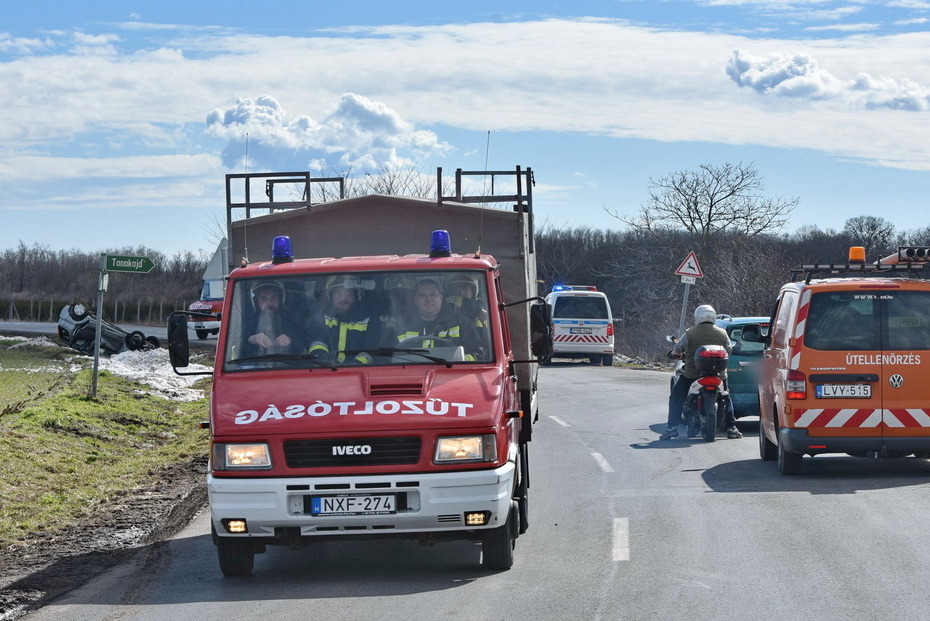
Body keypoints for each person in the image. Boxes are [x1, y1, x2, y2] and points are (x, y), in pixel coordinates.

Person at [660, 304, 742, 440]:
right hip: (719, 374)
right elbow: (728, 350)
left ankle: (671, 428)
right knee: (727, 397)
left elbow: (677, 350)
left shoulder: (690, 332)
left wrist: (677, 354)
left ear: (698, 317)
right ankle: (732, 427)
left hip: (692, 374)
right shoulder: (722, 332)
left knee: (676, 397)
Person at [393, 278, 485, 360]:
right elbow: (386, 358)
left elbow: (478, 355)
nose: (428, 299)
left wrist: (459, 362)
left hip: (452, 376)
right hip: (411, 376)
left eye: (433, 294)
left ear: (440, 297)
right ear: (415, 300)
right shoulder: (400, 327)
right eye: (422, 295)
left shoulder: (462, 324)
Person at [307, 274, 376, 364]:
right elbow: (318, 343)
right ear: (329, 296)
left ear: (356, 295)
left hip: (357, 371)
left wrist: (352, 367)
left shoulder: (368, 319)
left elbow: (369, 351)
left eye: (348, 293)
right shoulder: (320, 318)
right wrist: (322, 362)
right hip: (326, 370)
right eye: (338, 293)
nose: (343, 298)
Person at [246, 281, 295, 355]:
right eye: (264, 298)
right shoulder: (248, 320)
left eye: (273, 297)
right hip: (256, 365)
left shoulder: (292, 319)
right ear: (256, 301)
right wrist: (251, 339)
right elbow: (236, 346)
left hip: (289, 364)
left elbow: (305, 341)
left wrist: (290, 340)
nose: (269, 303)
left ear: (281, 299)